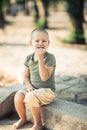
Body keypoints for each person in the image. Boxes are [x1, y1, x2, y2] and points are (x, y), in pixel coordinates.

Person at [12, 28, 56, 130]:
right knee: (18, 96)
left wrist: (40, 59)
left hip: (47, 91)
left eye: (44, 41)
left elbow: (44, 78)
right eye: (37, 41)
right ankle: (23, 118)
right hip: (33, 89)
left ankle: (38, 124)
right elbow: (26, 76)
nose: (40, 43)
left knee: (31, 96)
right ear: (31, 43)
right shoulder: (28, 58)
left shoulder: (50, 58)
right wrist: (29, 86)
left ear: (48, 43)